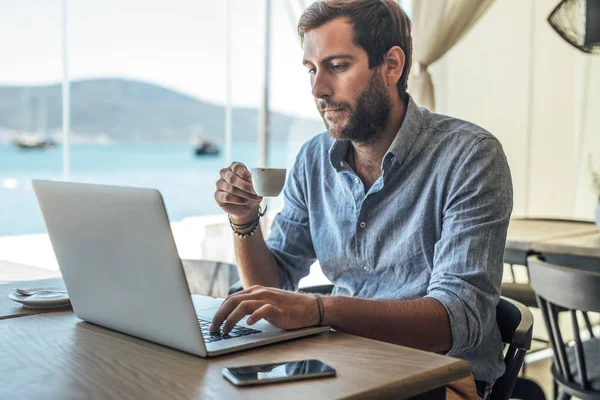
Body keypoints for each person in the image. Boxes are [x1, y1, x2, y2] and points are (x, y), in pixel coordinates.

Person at [211, 1, 513, 398]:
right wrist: (246, 220)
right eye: (311, 70)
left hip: (439, 377)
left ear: (391, 65)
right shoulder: (313, 159)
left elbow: (457, 319)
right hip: (341, 363)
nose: (319, 89)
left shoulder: (469, 156)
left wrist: (320, 311)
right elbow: (273, 282)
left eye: (337, 66)